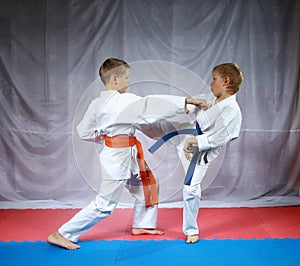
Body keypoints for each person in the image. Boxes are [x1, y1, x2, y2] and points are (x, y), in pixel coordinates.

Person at [47, 57, 200, 250]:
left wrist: (103, 135)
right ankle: (62, 233)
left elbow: (84, 131)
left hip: (123, 154)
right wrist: (184, 102)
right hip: (118, 160)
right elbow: (150, 104)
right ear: (115, 79)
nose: (128, 82)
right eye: (126, 78)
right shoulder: (124, 100)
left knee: (148, 184)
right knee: (104, 205)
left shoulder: (97, 103)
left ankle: (142, 224)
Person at [182, 63, 243, 244]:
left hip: (201, 151)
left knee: (190, 188)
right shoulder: (213, 98)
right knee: (163, 116)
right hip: (188, 135)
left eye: (214, 79)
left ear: (226, 81)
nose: (210, 84)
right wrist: (191, 107)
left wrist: (194, 141)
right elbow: (198, 106)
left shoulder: (232, 110)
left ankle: (191, 230)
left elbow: (222, 137)